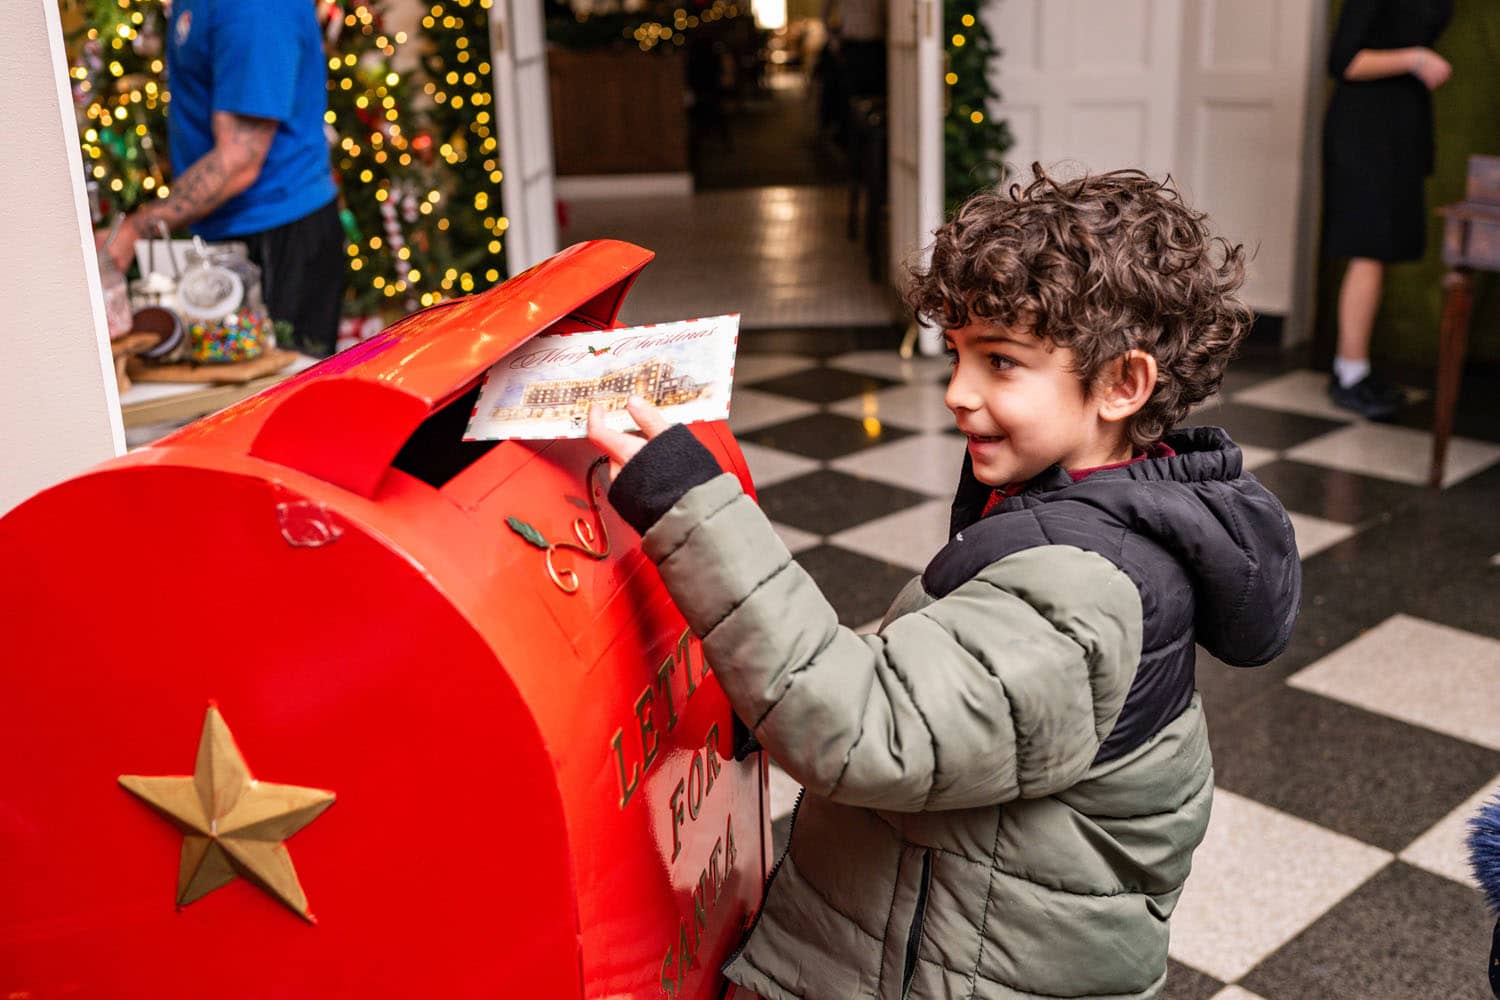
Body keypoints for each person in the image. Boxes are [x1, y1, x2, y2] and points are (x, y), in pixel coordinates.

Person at [587, 168, 1302, 1000]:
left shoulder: (1083, 587)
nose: (958, 393)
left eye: (1001, 362)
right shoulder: (1096, 508)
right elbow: (945, 687)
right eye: (958, 353)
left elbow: (866, 730)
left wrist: (688, 502)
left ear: (1122, 385)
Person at [98, 0, 345, 357]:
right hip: (227, 228)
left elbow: (239, 161)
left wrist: (135, 229)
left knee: (277, 388)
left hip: (278, 235)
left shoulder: (254, 9)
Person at [1322, 0, 1454, 419]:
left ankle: (1356, 367)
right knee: (1368, 249)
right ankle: (1349, 372)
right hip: (1366, 135)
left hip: (1397, 132)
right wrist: (1415, 59)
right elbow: (1345, 60)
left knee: (1379, 252)